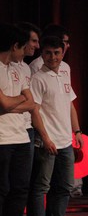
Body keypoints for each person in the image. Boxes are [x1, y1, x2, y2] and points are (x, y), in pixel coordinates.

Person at [26, 35, 84, 216]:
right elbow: (34, 111)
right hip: (46, 142)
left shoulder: (65, 72)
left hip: (65, 141)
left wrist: (76, 130)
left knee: (65, 185)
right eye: (48, 53)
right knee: (41, 187)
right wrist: (45, 138)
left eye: (56, 53)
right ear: (42, 53)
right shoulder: (38, 78)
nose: (53, 57)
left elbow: (70, 104)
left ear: (63, 52)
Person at [0, 22, 34, 216]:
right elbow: (3, 103)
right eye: (22, 48)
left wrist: (10, 104)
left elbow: (31, 103)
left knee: (20, 190)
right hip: (2, 139)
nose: (24, 52)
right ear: (15, 46)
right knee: (2, 190)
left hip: (22, 138)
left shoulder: (18, 69)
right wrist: (15, 103)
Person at [13, 21, 41, 153]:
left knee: (24, 174)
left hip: (27, 129)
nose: (37, 46)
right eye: (34, 41)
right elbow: (6, 103)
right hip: (10, 130)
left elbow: (31, 104)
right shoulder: (6, 66)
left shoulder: (26, 68)